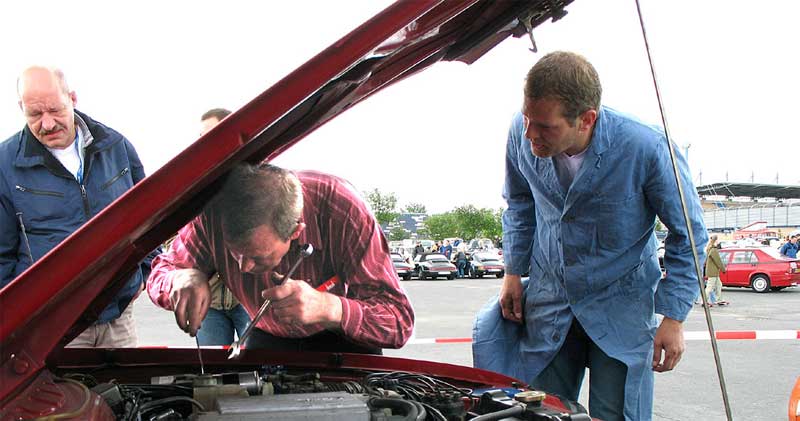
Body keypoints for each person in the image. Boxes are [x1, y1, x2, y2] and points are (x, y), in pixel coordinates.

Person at [473, 52, 707, 421]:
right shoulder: (522, 133)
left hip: (620, 308)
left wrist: (674, 316)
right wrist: (513, 272)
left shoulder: (647, 148)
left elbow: (689, 234)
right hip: (551, 305)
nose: (531, 134)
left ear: (586, 119)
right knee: (539, 411)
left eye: (545, 127)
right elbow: (518, 204)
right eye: (527, 119)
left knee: (616, 415)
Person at [147, 163, 414, 353]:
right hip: (268, 337)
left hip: (344, 340)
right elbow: (160, 273)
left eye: (257, 257)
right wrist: (180, 278)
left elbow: (398, 321)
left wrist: (328, 307)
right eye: (233, 251)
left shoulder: (341, 210)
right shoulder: (211, 215)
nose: (243, 267)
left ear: (296, 231)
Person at [0, 66, 154, 347]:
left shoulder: (115, 147)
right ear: (20, 108)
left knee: (127, 392)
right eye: (34, 114)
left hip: (118, 319)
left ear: (72, 98)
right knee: (64, 393)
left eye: (55, 110)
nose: (47, 124)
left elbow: (151, 216)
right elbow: (1, 255)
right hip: (51, 328)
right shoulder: (5, 166)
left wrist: (142, 275)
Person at [178, 107, 251, 346]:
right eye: (201, 139)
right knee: (212, 373)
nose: (204, 145)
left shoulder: (254, 182)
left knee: (262, 367)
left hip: (248, 300)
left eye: (212, 137)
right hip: (210, 304)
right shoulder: (193, 187)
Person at [704, 235, 727, 307]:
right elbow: (718, 261)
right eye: (718, 240)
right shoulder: (713, 250)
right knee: (710, 287)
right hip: (712, 272)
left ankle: (719, 300)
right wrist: (723, 269)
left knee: (718, 285)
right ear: (716, 241)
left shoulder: (711, 249)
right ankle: (704, 301)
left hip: (714, 272)